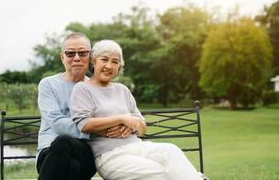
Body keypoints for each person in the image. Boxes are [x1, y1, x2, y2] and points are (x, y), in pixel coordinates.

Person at [69, 40, 204, 180]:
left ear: (119, 67)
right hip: (110, 157)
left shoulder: (122, 90)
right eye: (104, 59)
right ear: (94, 61)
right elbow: (84, 124)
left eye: (115, 62)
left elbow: (142, 128)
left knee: (171, 151)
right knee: (165, 174)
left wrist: (131, 126)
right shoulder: (83, 89)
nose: (109, 66)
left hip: (137, 147)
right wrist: (122, 119)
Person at [36, 33, 130, 180]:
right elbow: (57, 123)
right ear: (62, 57)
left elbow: (111, 118)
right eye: (70, 53)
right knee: (68, 157)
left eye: (83, 52)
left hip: (85, 153)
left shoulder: (95, 87)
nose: (77, 57)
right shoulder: (48, 85)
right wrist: (96, 131)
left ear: (91, 57)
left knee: (68, 150)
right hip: (49, 154)